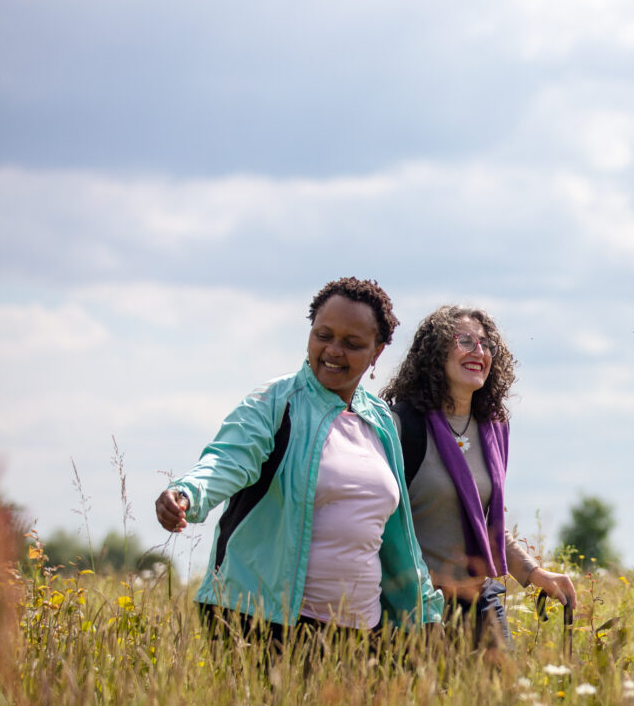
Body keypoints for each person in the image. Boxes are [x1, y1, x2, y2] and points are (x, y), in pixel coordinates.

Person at [155, 277, 442, 662]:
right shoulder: (275, 402)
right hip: (261, 621)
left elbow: (398, 532)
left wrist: (424, 608)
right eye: (323, 335)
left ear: (377, 352)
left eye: (353, 344)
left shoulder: (382, 422)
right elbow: (228, 457)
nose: (333, 351)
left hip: (360, 632)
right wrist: (188, 492)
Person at [380, 305, 577, 649]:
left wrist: (533, 573)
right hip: (415, 607)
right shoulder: (401, 427)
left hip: (479, 603)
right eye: (466, 341)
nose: (479, 352)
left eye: (487, 345)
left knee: (503, 700)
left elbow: (484, 522)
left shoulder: (493, 429)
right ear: (435, 351)